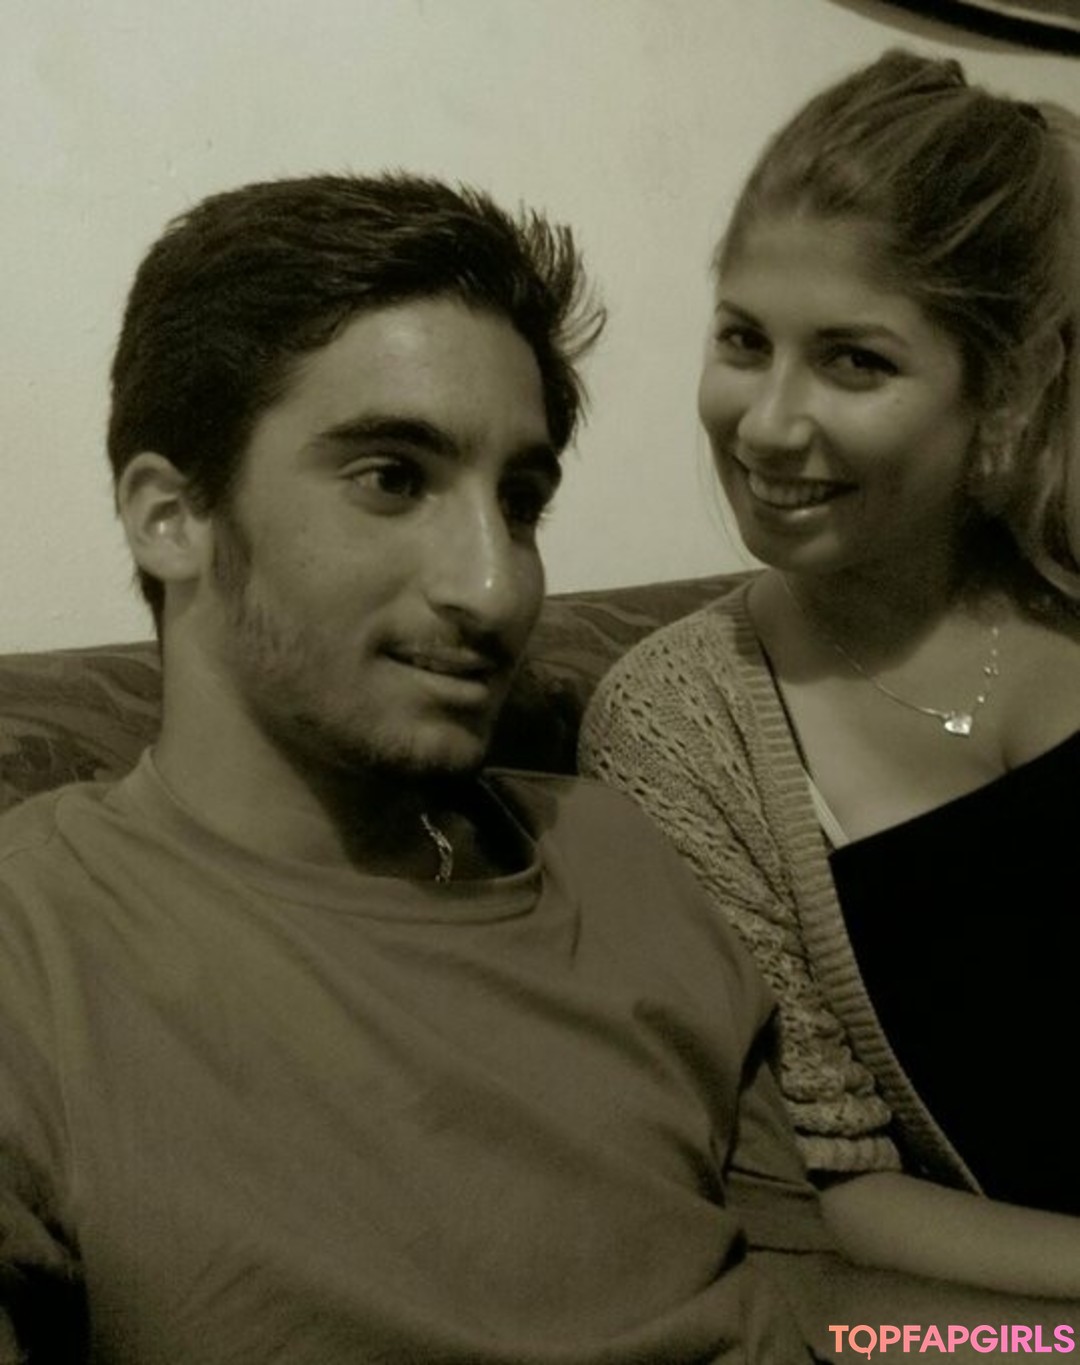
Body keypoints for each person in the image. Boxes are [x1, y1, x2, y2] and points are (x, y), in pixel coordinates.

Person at [0, 170, 850, 1364]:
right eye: (393, 479)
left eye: (522, 501)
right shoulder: (37, 956)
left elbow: (824, 1311)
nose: (496, 588)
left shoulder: (618, 851)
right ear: (172, 515)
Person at [581, 50, 1080, 1301]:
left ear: (1006, 386)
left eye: (854, 360)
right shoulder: (674, 724)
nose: (767, 423)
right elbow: (830, 1187)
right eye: (744, 341)